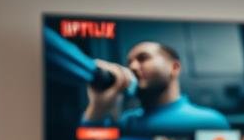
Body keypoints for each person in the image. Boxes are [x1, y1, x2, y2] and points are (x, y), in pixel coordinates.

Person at [83, 41, 229, 135]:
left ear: (175, 68)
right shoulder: (126, 122)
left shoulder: (211, 122)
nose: (133, 67)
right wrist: (98, 107)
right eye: (130, 62)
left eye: (143, 58)